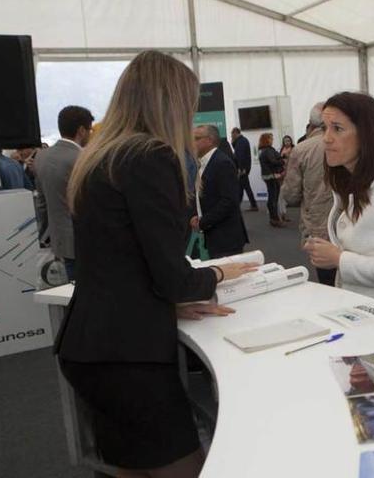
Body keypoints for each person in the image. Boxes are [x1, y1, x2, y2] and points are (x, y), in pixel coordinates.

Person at [54, 50, 255, 478]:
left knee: (128, 467)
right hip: (128, 356)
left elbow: (120, 262)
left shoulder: (100, 158)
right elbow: (172, 277)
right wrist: (217, 273)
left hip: (91, 346)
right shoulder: (149, 156)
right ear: (169, 102)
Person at [303, 92, 374, 312]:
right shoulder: (349, 188)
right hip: (361, 309)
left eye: (337, 128)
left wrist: (338, 258)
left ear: (365, 135)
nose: (326, 138)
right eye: (324, 128)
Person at [34, 105, 94, 280]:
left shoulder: (41, 157)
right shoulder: (83, 158)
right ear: (81, 130)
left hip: (58, 240)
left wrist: (45, 235)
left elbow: (42, 204)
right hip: (86, 242)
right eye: (89, 130)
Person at [282, 103, 337, 286]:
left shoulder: (302, 149)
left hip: (317, 223)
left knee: (327, 279)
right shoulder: (351, 143)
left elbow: (291, 195)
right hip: (350, 220)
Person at [190, 124, 248, 258]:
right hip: (216, 234)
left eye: (196, 138)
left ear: (210, 140)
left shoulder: (222, 163)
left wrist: (202, 222)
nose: (192, 142)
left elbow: (229, 201)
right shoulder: (206, 162)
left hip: (226, 237)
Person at [258, 132, 286, 227]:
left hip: (268, 175)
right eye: (271, 138)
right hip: (272, 176)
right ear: (267, 140)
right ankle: (275, 219)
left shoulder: (262, 150)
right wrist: (282, 160)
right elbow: (273, 161)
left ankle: (273, 218)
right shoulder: (268, 150)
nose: (272, 140)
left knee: (272, 197)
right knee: (273, 198)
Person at [230, 127, 258, 212]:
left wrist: (241, 169)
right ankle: (240, 205)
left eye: (232, 134)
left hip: (242, 169)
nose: (231, 136)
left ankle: (252, 205)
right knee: (242, 187)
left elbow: (240, 156)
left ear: (235, 133)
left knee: (245, 187)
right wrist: (233, 143)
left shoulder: (241, 142)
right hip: (243, 168)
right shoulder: (241, 141)